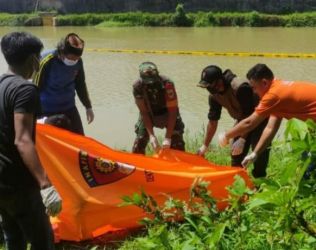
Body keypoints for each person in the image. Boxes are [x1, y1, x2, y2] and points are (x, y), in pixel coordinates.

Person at [0, 32, 62, 250]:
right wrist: (45, 185)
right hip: (20, 183)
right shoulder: (25, 89)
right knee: (42, 241)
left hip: (2, 181)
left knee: (13, 237)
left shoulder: (1, 85)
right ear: (33, 59)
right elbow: (22, 140)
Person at [218, 63, 316, 168]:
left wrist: (226, 136)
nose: (254, 92)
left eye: (254, 87)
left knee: (308, 169)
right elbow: (270, 128)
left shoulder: (273, 95)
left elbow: (249, 122)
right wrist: (255, 153)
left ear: (264, 82)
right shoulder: (278, 87)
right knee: (307, 162)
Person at [197, 65, 270, 178]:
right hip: (243, 120)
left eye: (209, 85)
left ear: (219, 82)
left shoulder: (240, 87)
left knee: (258, 153)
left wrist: (242, 139)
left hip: (259, 118)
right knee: (236, 156)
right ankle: (238, 183)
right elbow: (213, 121)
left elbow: (250, 116)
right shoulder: (214, 96)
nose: (208, 89)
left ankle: (259, 183)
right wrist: (205, 146)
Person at [34, 33, 94, 135]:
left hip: (68, 107)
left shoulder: (78, 62)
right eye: (71, 59)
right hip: (46, 110)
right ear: (62, 52)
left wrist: (88, 107)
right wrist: (33, 114)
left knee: (79, 139)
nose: (74, 61)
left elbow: (80, 85)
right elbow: (35, 87)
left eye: (76, 59)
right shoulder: (47, 60)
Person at [132, 62, 185, 154]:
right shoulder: (137, 87)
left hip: (168, 114)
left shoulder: (168, 84)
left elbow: (173, 111)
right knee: (139, 142)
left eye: (153, 79)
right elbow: (144, 112)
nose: (151, 83)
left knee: (177, 144)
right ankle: (137, 166)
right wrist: (152, 136)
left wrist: (168, 137)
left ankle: (179, 166)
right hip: (149, 114)